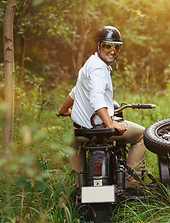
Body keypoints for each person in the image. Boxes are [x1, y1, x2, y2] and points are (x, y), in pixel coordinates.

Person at [58, 26, 146, 189]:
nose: (112, 51)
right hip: (101, 131)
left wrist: (63, 111)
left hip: (81, 132)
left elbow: (75, 92)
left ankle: (80, 187)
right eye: (107, 46)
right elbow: (97, 98)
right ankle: (131, 186)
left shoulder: (89, 64)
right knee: (142, 135)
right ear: (98, 45)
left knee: (73, 144)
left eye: (116, 46)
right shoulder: (99, 68)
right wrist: (111, 124)